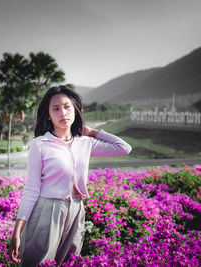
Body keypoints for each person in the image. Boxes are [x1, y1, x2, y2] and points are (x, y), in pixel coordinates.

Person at [8, 85, 132, 266]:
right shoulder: (41, 144)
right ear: (48, 115)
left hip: (76, 208)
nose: (62, 112)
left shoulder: (86, 143)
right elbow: (31, 189)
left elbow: (124, 148)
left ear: (75, 109)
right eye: (55, 109)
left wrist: (91, 131)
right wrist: (17, 232)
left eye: (67, 107)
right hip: (47, 210)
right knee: (39, 262)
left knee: (69, 262)